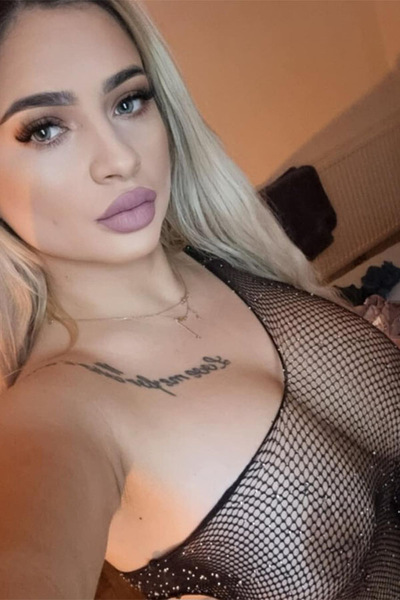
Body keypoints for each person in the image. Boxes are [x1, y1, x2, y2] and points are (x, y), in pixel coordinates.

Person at [0, 1, 398, 599]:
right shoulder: (56, 416)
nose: (121, 159)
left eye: (128, 101)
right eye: (45, 129)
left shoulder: (223, 253)